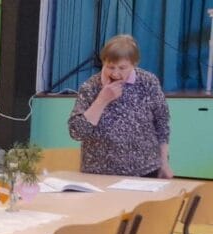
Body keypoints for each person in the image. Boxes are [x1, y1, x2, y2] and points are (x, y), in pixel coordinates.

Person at [68, 34, 173, 178]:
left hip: (145, 170)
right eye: (110, 67)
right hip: (99, 173)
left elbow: (162, 123)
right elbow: (77, 132)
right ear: (103, 62)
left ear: (134, 64)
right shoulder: (90, 87)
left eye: (122, 68)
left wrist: (164, 163)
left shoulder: (148, 82)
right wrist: (102, 100)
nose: (115, 73)